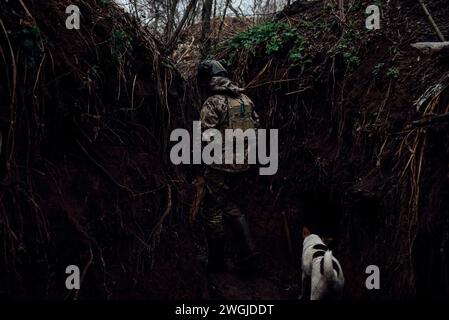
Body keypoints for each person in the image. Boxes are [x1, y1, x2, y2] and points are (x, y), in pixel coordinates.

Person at [196, 59, 260, 273]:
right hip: (244, 164)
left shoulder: (213, 102)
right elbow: (256, 126)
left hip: (221, 166)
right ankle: (250, 257)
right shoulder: (245, 99)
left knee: (212, 209)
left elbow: (207, 136)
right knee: (232, 205)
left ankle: (217, 262)